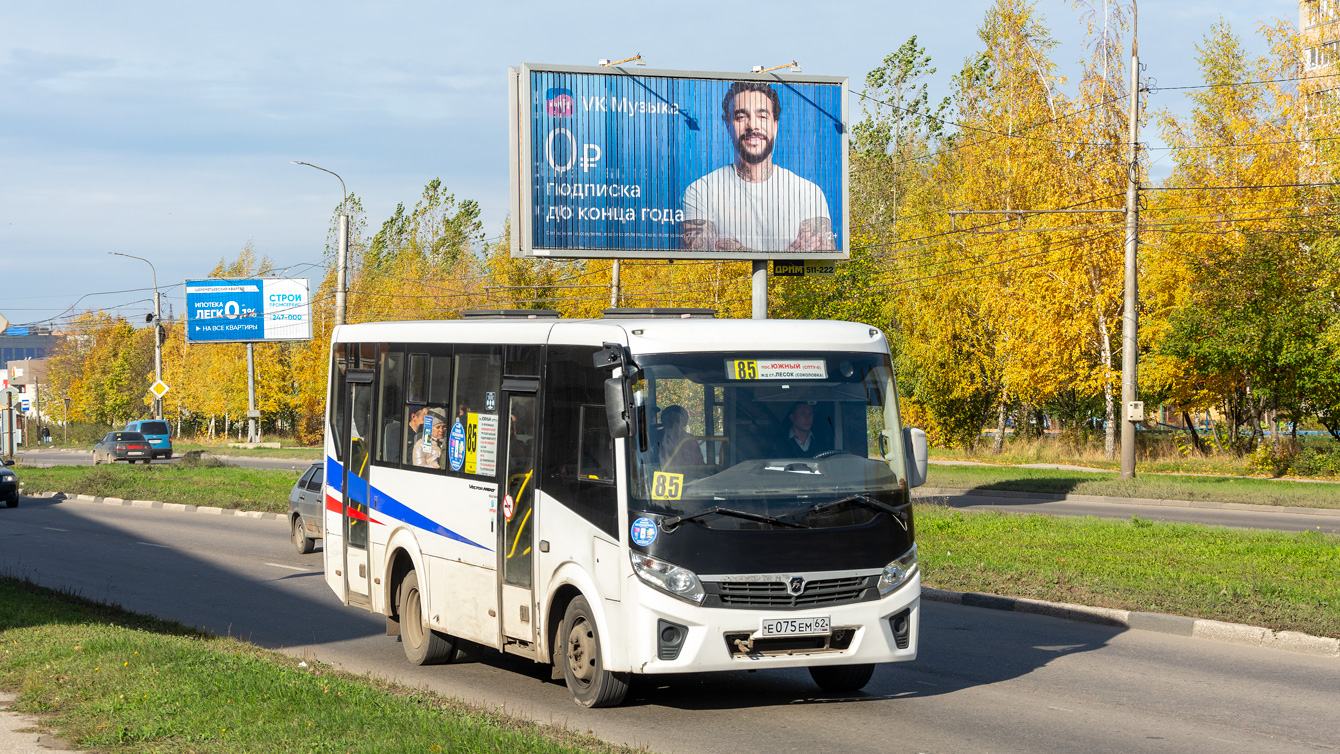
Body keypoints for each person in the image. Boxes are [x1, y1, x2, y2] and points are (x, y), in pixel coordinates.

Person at [681, 81, 835, 252]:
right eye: (741, 116)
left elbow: (822, 259)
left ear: (775, 125)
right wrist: (790, 253)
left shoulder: (808, 192)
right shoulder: (702, 191)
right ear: (727, 126)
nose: (752, 126)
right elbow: (699, 263)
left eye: (762, 116)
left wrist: (741, 251)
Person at [656, 405, 702, 471]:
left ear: (684, 423)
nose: (673, 424)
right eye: (670, 420)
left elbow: (700, 465)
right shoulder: (655, 438)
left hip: (690, 479)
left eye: (677, 420)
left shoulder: (690, 440)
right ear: (664, 422)